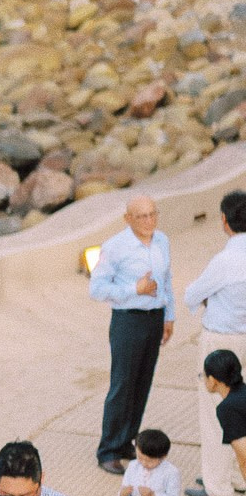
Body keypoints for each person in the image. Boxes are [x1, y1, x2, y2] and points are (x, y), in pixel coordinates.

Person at [89, 191, 175, 472]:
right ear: (128, 219)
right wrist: (134, 289)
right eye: (141, 216)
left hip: (154, 318)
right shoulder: (115, 247)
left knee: (142, 383)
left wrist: (169, 316)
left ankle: (128, 440)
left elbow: (167, 281)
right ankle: (109, 450)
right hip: (128, 320)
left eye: (153, 214)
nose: (149, 220)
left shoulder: (162, 241)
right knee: (123, 384)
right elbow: (97, 289)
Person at [183, 185, 246, 496]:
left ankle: (217, 485)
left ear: (224, 221)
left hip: (222, 341)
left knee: (215, 411)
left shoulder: (225, 260)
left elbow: (192, 295)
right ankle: (239, 474)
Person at [202, 348, 246, 496]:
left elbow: (244, 457)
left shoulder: (227, 408)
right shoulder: (243, 392)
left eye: (204, 376)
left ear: (213, 380)